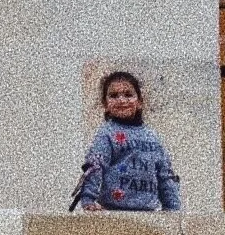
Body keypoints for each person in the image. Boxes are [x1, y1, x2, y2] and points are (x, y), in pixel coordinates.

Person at [75, 71, 182, 211]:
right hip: (114, 213)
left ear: (140, 102)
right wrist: (88, 199)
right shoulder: (107, 134)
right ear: (105, 104)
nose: (121, 100)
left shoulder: (152, 137)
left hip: (148, 214)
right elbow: (95, 165)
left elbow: (165, 175)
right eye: (113, 95)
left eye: (128, 94)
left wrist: (173, 208)